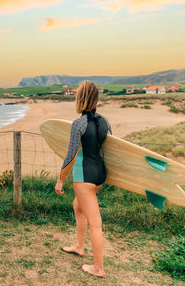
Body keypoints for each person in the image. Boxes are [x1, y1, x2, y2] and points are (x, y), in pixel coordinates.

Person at [54, 80, 112, 278]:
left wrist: (60, 179)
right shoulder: (104, 121)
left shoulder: (78, 124)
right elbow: (108, 146)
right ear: (95, 99)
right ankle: (79, 246)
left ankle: (98, 268)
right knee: (78, 206)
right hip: (100, 175)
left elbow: (70, 156)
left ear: (80, 98)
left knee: (95, 223)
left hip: (84, 177)